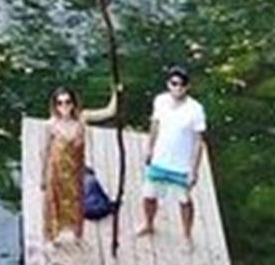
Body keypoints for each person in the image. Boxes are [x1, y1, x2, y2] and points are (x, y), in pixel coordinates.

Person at [42, 81, 121, 246]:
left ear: (73, 103)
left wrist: (116, 92)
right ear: (55, 105)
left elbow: (109, 112)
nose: (64, 106)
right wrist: (43, 176)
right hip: (56, 170)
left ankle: (76, 236)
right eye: (60, 103)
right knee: (54, 203)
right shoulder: (50, 124)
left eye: (67, 102)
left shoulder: (82, 118)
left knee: (76, 202)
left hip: (76, 170)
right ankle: (53, 238)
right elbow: (45, 151)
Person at [137, 66, 206, 246]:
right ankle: (149, 224)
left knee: (184, 200)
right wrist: (149, 148)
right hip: (160, 159)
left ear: (187, 87)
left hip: (181, 164)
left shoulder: (195, 109)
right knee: (149, 195)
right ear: (168, 84)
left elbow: (198, 141)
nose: (178, 88)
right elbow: (155, 124)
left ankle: (186, 235)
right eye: (174, 83)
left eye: (182, 85)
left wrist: (194, 169)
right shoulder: (160, 101)